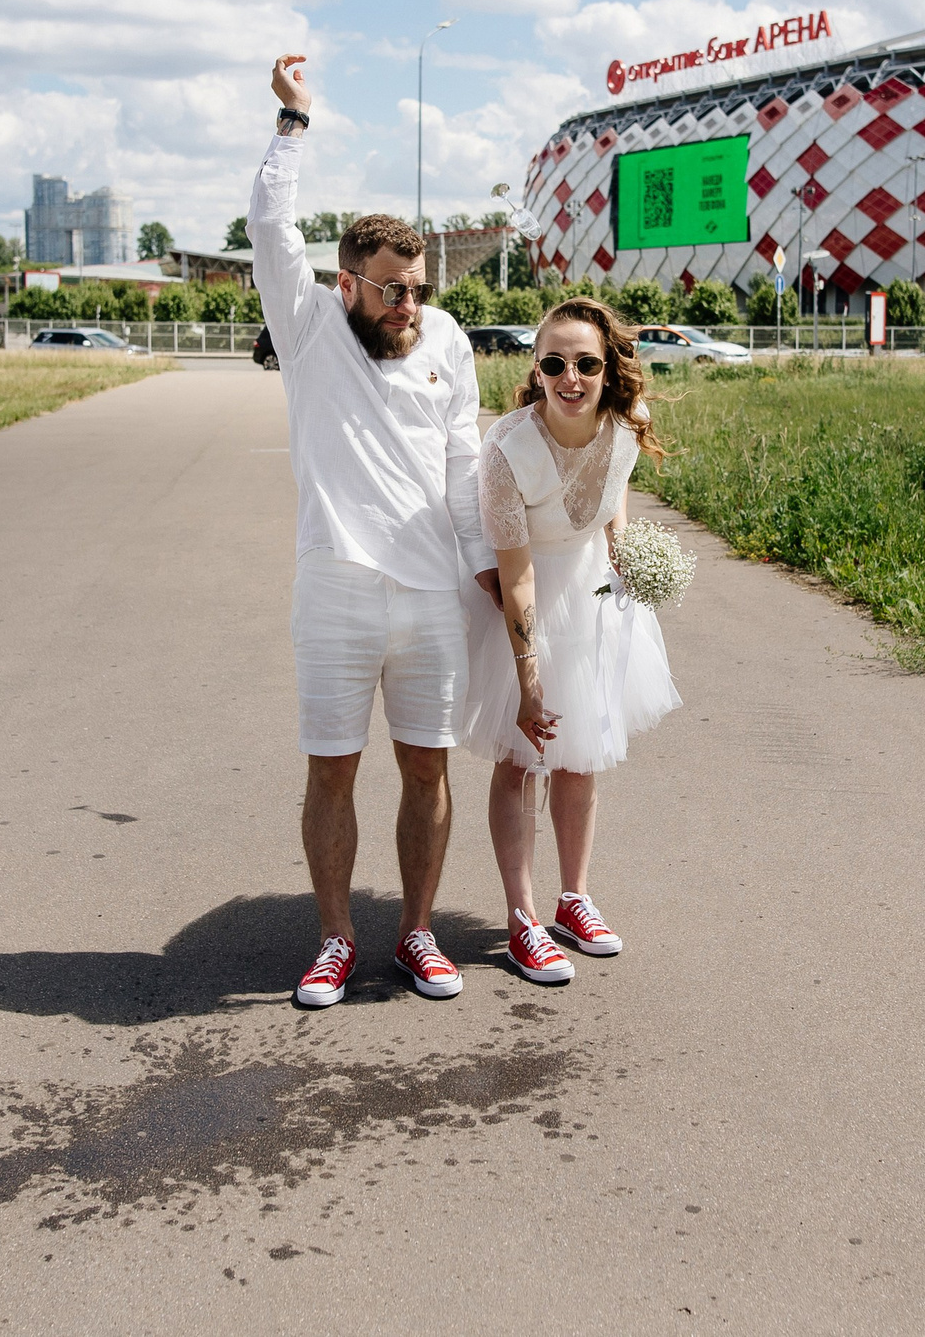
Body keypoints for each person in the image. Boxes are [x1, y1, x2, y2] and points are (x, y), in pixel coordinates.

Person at [251, 53, 497, 1009]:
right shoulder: (309, 327)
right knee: (331, 768)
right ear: (348, 282)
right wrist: (293, 123)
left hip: (433, 590)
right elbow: (271, 225)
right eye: (392, 288)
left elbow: (465, 462)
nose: (410, 304)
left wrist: (484, 569)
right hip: (338, 585)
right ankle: (334, 938)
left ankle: (419, 932)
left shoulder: (446, 339)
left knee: (428, 767)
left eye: (419, 286)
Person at [459, 297, 681, 984]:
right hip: (530, 604)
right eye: (553, 363)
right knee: (524, 757)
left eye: (585, 362)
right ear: (537, 368)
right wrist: (527, 678)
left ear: (608, 368)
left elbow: (612, 482)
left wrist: (621, 547)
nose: (570, 377)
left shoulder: (630, 420)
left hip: (590, 596)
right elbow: (517, 577)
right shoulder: (506, 450)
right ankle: (522, 916)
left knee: (581, 757)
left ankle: (573, 898)